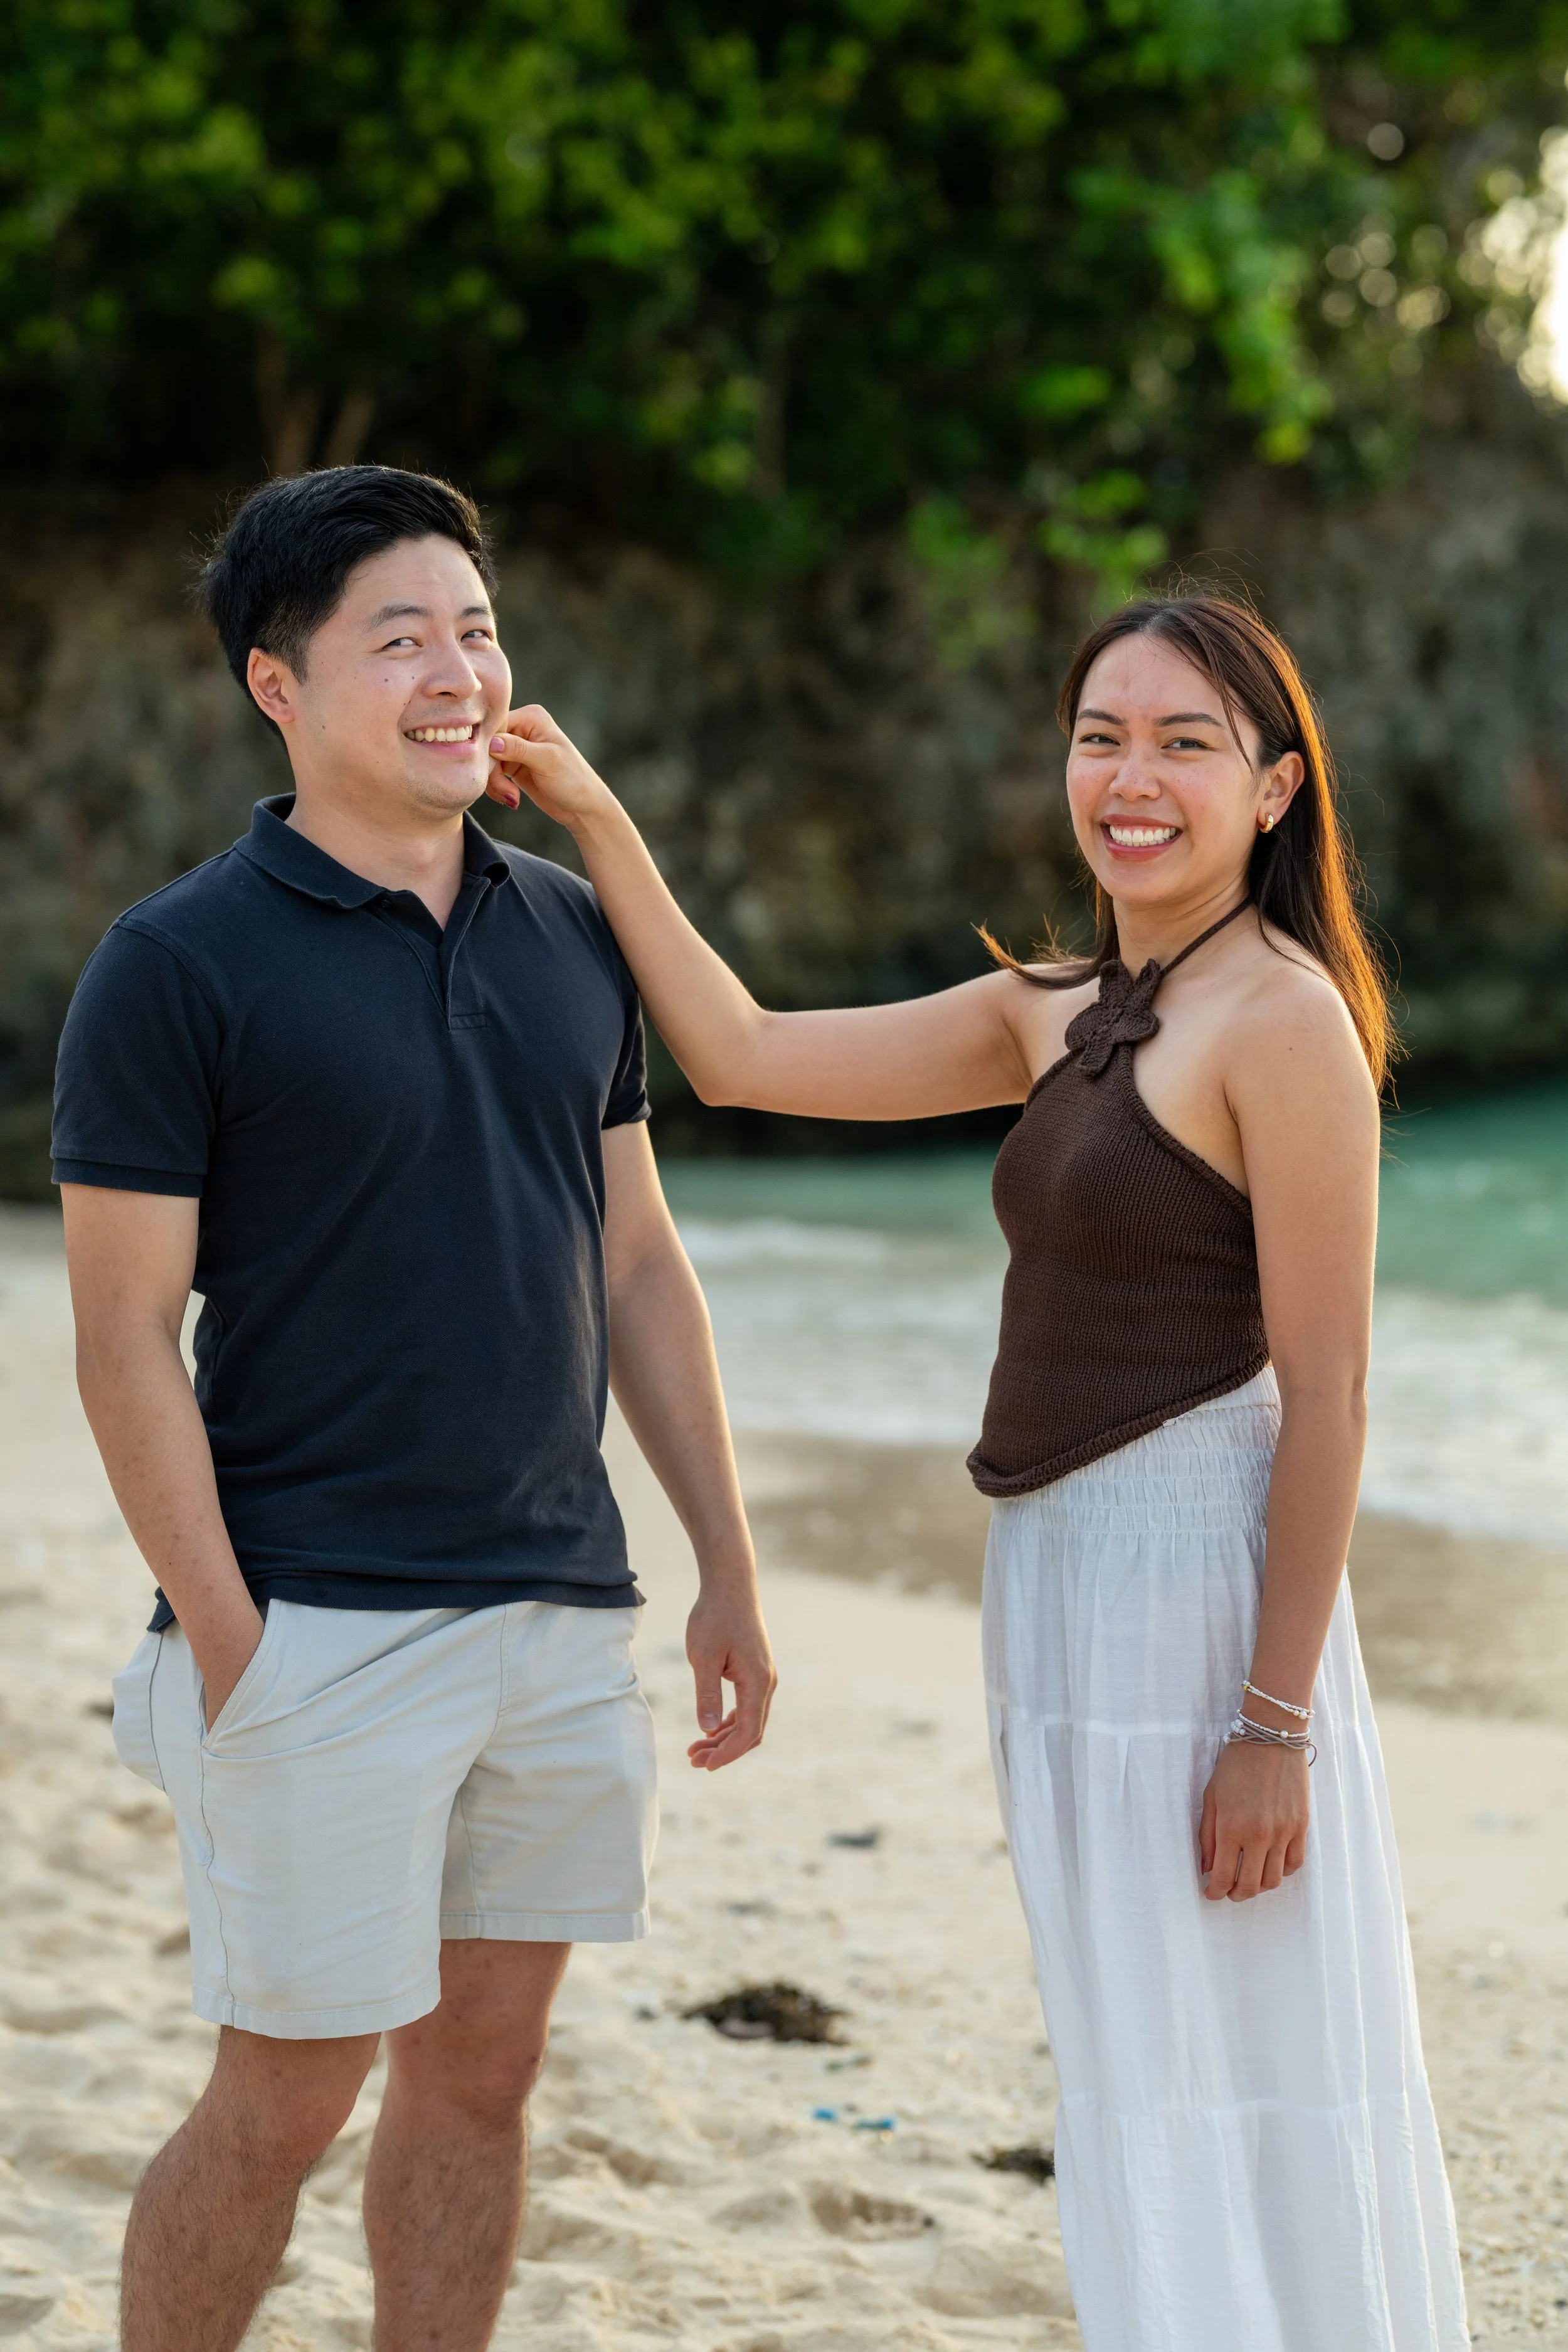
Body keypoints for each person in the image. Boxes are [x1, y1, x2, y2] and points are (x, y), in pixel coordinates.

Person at [480, 591, 1469, 2351]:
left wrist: (1272, 1723)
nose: (1130, 777)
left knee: (1231, 2050)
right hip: (1058, 1593)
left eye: (1183, 742)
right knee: (1125, 2049)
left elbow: (1327, 1396)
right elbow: (747, 1055)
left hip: (1205, 1597)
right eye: (1101, 735)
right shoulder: (1058, 1005)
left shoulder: (1281, 1020)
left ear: (1272, 788)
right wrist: (599, 822)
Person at [53, 463, 775, 2352]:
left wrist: (726, 1564)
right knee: (284, 2095)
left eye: (475, 627)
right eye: (402, 636)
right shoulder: (176, 962)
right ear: (275, 684)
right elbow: (123, 1333)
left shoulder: (567, 930)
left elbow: (635, 1265)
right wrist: (230, 1638)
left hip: (553, 1602)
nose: (460, 669)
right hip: (317, 1617)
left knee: (479, 2080)